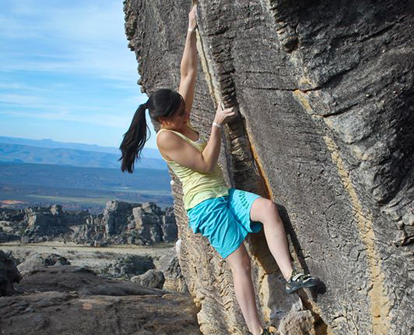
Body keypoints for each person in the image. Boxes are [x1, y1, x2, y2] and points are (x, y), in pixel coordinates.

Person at [119, 6, 319, 335]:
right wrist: (214, 127)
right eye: (181, 114)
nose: (187, 115)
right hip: (206, 207)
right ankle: (256, 330)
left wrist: (191, 30)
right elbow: (205, 164)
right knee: (239, 263)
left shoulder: (175, 116)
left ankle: (291, 275)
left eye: (185, 111)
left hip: (223, 195)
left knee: (268, 209)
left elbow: (188, 73)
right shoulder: (167, 137)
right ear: (164, 120)